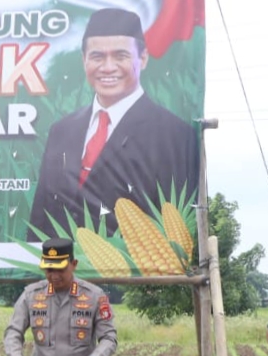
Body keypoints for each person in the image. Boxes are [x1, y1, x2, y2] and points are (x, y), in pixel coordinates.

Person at [27, 8, 199, 241]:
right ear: (84, 60)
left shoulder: (176, 135)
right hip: (59, 274)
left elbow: (178, 225)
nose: (108, 67)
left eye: (121, 56)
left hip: (133, 274)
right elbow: (41, 217)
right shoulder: (62, 130)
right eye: (97, 56)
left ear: (143, 58)